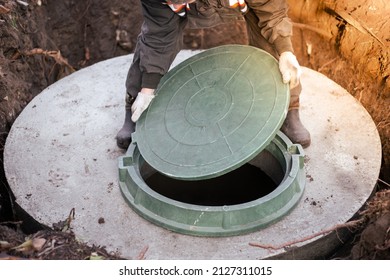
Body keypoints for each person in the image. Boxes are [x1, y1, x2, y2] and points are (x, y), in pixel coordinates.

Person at [116, 0, 311, 150]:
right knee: (150, 43)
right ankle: (134, 106)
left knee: (273, 42)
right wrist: (147, 89)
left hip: (240, 4)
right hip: (193, 11)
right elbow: (158, 39)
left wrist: (286, 51)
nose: (174, 3)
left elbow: (273, 14)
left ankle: (289, 108)